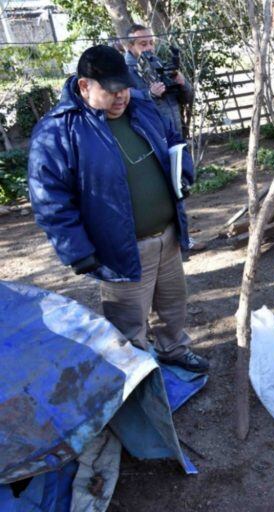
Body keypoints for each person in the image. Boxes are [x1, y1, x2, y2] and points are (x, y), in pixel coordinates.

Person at [27, 45, 209, 373]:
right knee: (128, 326)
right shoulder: (58, 130)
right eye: (112, 91)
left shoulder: (141, 105)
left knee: (172, 307)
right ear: (85, 86)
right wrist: (77, 251)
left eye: (124, 87)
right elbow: (50, 199)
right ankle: (138, 380)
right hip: (120, 250)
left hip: (167, 237)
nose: (122, 96)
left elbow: (171, 139)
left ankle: (173, 349)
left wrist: (183, 171)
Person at [123, 24, 194, 137]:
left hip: (177, 135)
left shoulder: (161, 64)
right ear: (130, 46)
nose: (149, 47)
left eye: (151, 43)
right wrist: (150, 94)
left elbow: (187, 99)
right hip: (152, 139)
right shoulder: (123, 71)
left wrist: (183, 84)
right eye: (143, 44)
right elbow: (125, 102)